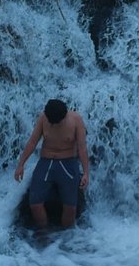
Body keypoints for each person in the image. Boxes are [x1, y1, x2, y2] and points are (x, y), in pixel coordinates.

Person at [14, 98, 90, 229]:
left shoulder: (76, 120)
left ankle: (68, 238)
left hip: (68, 165)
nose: (53, 124)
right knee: (35, 203)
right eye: (51, 122)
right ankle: (43, 233)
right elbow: (32, 142)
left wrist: (86, 173)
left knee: (70, 207)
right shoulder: (44, 118)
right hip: (46, 163)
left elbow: (82, 148)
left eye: (56, 122)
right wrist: (21, 165)